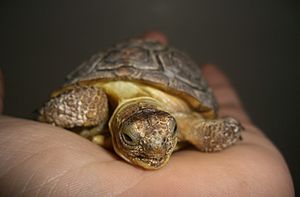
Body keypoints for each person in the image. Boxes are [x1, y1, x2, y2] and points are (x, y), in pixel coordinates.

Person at [0, 32, 294, 196]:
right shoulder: (97, 102)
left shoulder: (184, 120)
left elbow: (202, 127)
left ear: (173, 126)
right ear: (117, 129)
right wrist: (52, 114)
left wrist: (220, 131)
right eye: (130, 138)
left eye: (169, 134)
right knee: (86, 107)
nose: (155, 148)